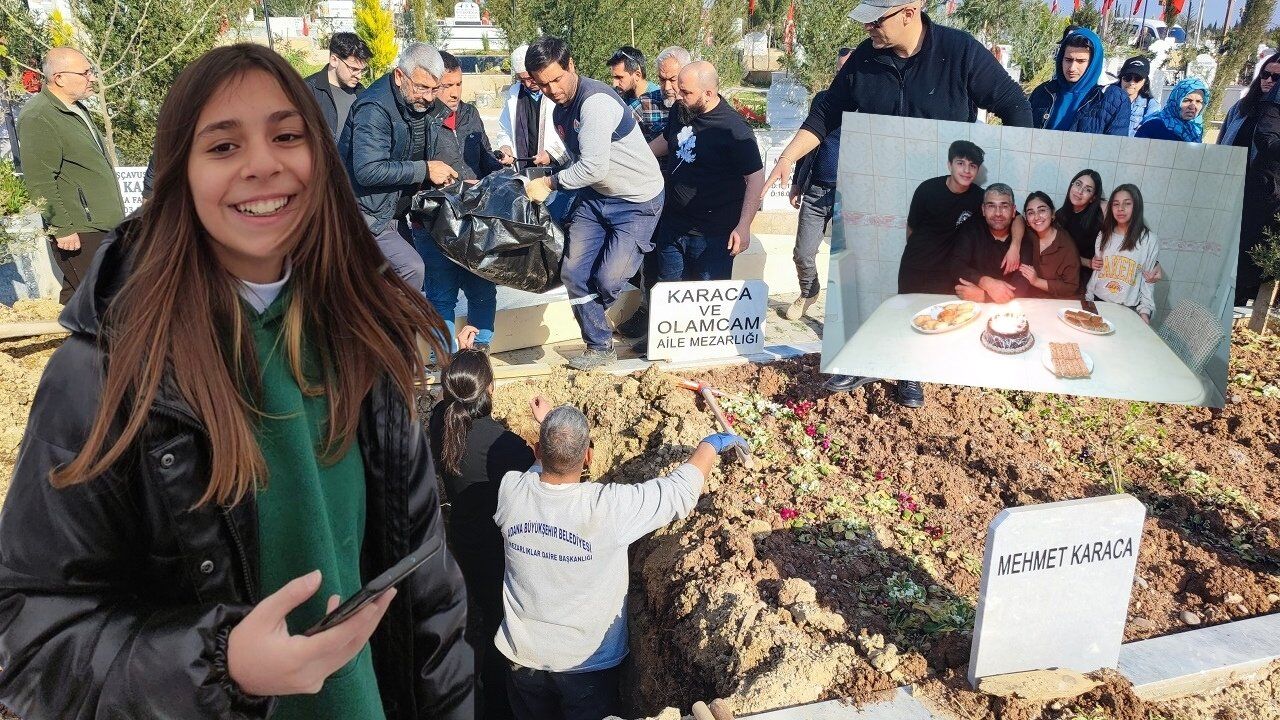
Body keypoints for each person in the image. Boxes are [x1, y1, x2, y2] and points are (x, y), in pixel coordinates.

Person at [0, 43, 474, 719]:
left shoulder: (369, 334)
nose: (262, 164)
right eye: (222, 147)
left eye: (287, 135)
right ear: (178, 176)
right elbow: (35, 638)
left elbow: (428, 588)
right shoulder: (106, 372)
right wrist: (220, 666)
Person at [763, 0, 1032, 402]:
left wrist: (1011, 173)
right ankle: (860, 358)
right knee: (868, 274)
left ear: (909, 11)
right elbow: (827, 111)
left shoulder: (959, 52)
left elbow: (1014, 105)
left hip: (939, 197)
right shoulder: (866, 59)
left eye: (877, 18)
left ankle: (909, 369)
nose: (869, 26)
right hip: (877, 189)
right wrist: (788, 156)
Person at [494, 404, 746, 720]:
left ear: (536, 449)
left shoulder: (510, 491)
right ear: (588, 456)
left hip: (522, 654)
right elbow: (680, 491)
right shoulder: (608, 508)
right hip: (585, 666)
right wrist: (710, 445)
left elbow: (541, 468)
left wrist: (551, 429)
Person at [522, 37, 665, 371]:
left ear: (571, 66)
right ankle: (599, 346)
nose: (552, 89)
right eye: (542, 84)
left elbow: (592, 167)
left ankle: (596, 323)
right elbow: (580, 155)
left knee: (607, 279)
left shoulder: (595, 102)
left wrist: (550, 182)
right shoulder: (561, 110)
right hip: (596, 197)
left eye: (557, 79)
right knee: (574, 272)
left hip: (637, 201)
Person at [430, 351, 546, 720]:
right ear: (491, 389)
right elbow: (546, 481)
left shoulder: (439, 423)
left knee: (477, 612)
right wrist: (547, 424)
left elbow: (453, 398)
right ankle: (496, 700)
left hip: (462, 538)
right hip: (499, 550)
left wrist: (456, 358)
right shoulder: (505, 446)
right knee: (499, 621)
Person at [340, 42, 457, 292]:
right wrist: (425, 170)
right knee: (411, 268)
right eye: (421, 87)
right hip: (362, 212)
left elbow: (425, 148)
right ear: (399, 76)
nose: (427, 97)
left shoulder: (422, 104)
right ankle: (389, 329)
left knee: (393, 280)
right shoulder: (374, 109)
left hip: (391, 210)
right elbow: (368, 170)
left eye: (435, 89)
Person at [15, 47, 125, 303]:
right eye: (86, 72)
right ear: (60, 78)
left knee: (79, 295)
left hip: (102, 224)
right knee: (105, 300)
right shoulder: (38, 117)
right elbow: (40, 180)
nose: (93, 77)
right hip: (80, 228)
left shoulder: (76, 109)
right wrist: (62, 229)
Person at [416, 51, 502, 353]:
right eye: (446, 85)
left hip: (473, 222)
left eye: (458, 84)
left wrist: (500, 169)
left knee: (482, 289)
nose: (454, 92)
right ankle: (445, 359)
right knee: (442, 295)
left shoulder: (470, 115)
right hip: (433, 223)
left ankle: (478, 352)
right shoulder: (420, 121)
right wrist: (452, 185)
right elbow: (414, 174)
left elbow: (485, 159)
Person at [648, 61, 764, 283]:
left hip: (713, 236)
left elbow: (755, 177)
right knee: (669, 297)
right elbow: (668, 138)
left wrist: (744, 226)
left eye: (686, 92)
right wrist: (642, 155)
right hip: (673, 227)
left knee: (705, 305)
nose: (678, 95)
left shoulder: (734, 128)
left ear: (709, 93)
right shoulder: (680, 109)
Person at [785, 47, 852, 321]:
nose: (842, 75)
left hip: (851, 195)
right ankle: (809, 291)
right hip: (816, 189)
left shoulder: (871, 106)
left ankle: (842, 317)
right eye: (839, 70)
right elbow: (808, 140)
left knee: (847, 261)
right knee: (802, 253)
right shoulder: (824, 100)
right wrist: (797, 182)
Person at [1233, 62, 1280, 305]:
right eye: (1266, 74)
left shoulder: (1274, 112)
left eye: (1276, 77)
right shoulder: (1241, 108)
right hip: (1232, 188)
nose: (1269, 80)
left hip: (1260, 194)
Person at [1028, 27, 1130, 136]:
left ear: (1093, 63)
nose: (1072, 68)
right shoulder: (1044, 92)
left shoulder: (1115, 100)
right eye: (1068, 60)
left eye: (1081, 61)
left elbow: (1114, 148)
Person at [1086, 184, 1159, 323]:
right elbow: (1097, 271)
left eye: (1127, 204)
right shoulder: (1104, 234)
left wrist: (1145, 312)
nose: (1120, 209)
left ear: (1137, 206)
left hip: (1128, 310)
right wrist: (1088, 297)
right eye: (1116, 204)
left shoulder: (1149, 240)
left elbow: (1148, 281)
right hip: (1099, 303)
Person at [951, 183, 1033, 304]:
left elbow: (1022, 283)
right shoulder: (971, 229)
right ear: (983, 210)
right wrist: (985, 282)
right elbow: (956, 265)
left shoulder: (1023, 237)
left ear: (1013, 210)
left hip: (1010, 309)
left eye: (1004, 206)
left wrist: (984, 296)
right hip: (971, 306)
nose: (998, 213)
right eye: (991, 206)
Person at [495, 44, 566, 169]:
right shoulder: (514, 94)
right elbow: (505, 129)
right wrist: (506, 147)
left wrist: (551, 154)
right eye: (522, 80)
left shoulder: (557, 93)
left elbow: (571, 133)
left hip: (556, 167)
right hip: (523, 168)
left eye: (531, 78)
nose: (527, 84)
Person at [305, 31, 371, 140]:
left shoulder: (361, 92)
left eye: (362, 70)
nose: (359, 76)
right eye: (354, 69)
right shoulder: (307, 91)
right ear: (334, 60)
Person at [1018, 191, 1082, 299]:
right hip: (1032, 299)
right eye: (1031, 213)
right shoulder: (1028, 234)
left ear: (1052, 214)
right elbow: (1015, 217)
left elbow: (1071, 287)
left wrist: (1037, 281)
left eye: (1042, 210)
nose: (1037, 217)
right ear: (1027, 219)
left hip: (1060, 302)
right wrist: (1014, 246)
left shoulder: (1066, 245)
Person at [1056, 169, 1105, 288]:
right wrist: (1087, 262)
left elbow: (1131, 229)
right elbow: (1060, 253)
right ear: (1071, 185)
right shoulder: (1060, 216)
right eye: (1078, 184)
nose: (1080, 191)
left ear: (1093, 198)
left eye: (1088, 189)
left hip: (1092, 278)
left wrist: (1153, 262)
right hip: (1066, 273)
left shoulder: (1101, 211)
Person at [608, 46, 667, 140]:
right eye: (614, 77)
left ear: (637, 75)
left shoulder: (660, 100)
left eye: (620, 77)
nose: (615, 83)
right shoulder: (620, 97)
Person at [1136, 77, 1210, 142]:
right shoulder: (1154, 125)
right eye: (1187, 100)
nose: (1192, 107)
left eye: (1198, 101)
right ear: (1175, 100)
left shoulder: (1196, 127)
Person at [1114, 56, 1160, 137]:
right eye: (1127, 78)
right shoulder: (1106, 98)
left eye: (1137, 79)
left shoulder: (1152, 105)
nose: (1132, 83)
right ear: (1121, 78)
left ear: (1145, 81)